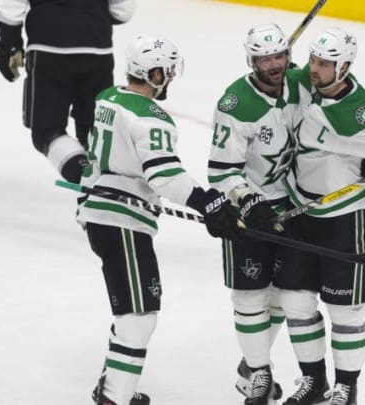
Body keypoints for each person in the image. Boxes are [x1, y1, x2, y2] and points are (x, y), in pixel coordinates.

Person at [76, 35, 242, 405]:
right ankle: (115, 398)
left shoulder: (108, 99)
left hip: (100, 213)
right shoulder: (152, 117)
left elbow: (103, 160)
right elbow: (163, 176)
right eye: (166, 71)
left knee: (131, 308)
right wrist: (209, 201)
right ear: (153, 73)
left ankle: (111, 386)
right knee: (139, 315)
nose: (169, 78)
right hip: (123, 223)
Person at [275, 27, 365, 405]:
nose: (315, 70)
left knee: (345, 309)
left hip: (345, 218)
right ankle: (313, 382)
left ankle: (346, 387)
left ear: (344, 67)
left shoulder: (358, 112)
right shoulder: (305, 85)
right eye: (313, 61)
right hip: (299, 210)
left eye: (325, 64)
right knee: (296, 302)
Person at [207, 23, 299, 405]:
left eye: (279, 56)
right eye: (265, 58)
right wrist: (247, 199)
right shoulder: (234, 104)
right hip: (248, 212)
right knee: (249, 297)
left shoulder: (301, 86)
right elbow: (221, 170)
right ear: (252, 60)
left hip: (293, 208)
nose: (274, 64)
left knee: (281, 296)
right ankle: (259, 374)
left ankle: (251, 366)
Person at [0, 0, 136, 183]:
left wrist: (8, 41)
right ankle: (116, 181)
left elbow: (11, 5)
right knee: (95, 130)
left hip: (49, 49)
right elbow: (123, 10)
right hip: (98, 49)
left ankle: (86, 177)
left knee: (47, 132)